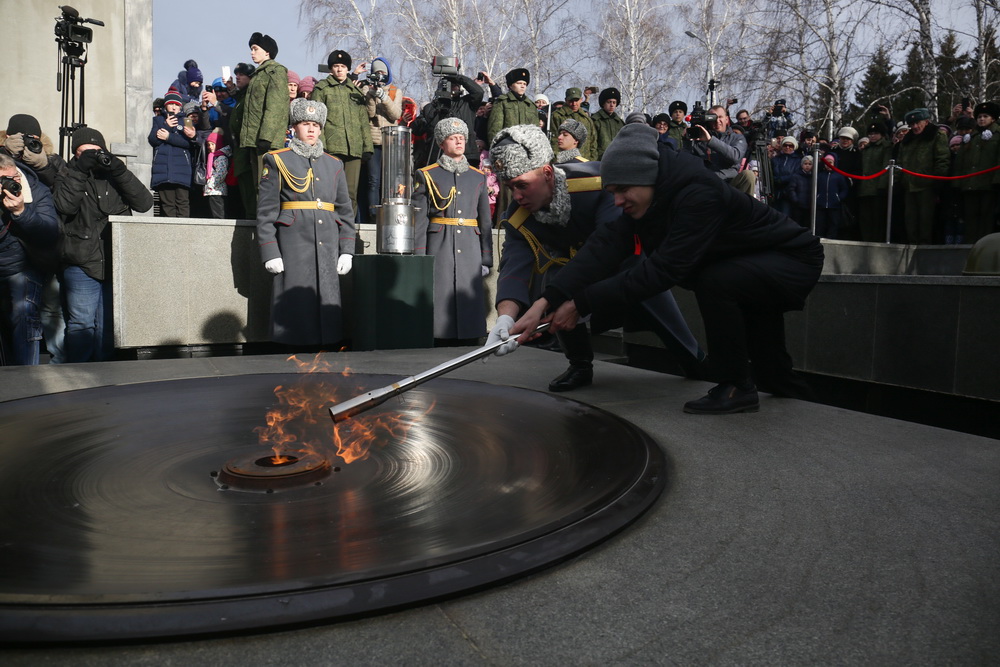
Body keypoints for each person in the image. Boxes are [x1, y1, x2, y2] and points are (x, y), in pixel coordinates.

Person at [503, 123, 824, 413]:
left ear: (645, 176)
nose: (617, 202)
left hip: (792, 260)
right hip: (748, 266)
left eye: (622, 190)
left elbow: (663, 270)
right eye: (612, 193)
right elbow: (604, 247)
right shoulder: (652, 196)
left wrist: (580, 304)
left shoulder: (698, 193)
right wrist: (548, 300)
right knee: (772, 371)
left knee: (716, 281)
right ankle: (811, 409)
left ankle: (735, 387)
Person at [487, 124, 705, 392]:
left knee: (673, 330)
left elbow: (606, 249)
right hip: (569, 277)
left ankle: (698, 365)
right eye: (510, 187)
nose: (517, 196)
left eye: (522, 185)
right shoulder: (518, 213)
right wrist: (505, 318)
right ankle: (579, 364)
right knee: (555, 279)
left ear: (547, 173)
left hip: (625, 269)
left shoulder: (596, 184)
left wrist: (571, 302)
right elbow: (514, 265)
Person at [256, 99, 355, 348]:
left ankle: (326, 349)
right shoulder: (277, 160)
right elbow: (266, 211)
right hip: (294, 242)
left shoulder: (334, 164)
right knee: (295, 304)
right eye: (305, 123)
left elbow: (345, 210)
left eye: (315, 125)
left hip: (328, 240)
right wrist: (270, 251)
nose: (311, 129)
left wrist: (347, 250)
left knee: (327, 301)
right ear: (293, 128)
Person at [53, 127, 153, 362]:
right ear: (75, 154)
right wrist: (80, 170)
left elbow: (144, 203)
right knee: (81, 324)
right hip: (80, 260)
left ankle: (104, 373)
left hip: (114, 259)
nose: (92, 157)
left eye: (96, 151)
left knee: (109, 324)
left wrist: (119, 170)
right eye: (84, 152)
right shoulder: (66, 174)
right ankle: (79, 373)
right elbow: (64, 206)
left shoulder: (114, 174)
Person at [412, 118, 492, 342]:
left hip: (470, 244)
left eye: (462, 138)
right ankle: (440, 336)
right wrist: (420, 256)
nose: (459, 141)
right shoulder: (427, 174)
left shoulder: (478, 176)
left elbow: (485, 220)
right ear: (441, 143)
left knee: (468, 292)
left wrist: (486, 257)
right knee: (441, 290)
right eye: (452, 138)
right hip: (440, 243)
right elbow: (420, 220)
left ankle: (470, 336)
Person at [0, 153, 59, 365]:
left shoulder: (36, 189)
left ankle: (27, 375)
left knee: (24, 312)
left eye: (14, 177)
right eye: (4, 180)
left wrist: (22, 212)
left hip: (23, 265)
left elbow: (50, 232)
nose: (12, 183)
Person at [311, 49, 374, 222]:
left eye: (343, 66)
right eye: (336, 66)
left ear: (348, 69)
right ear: (331, 68)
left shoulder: (355, 91)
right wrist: (321, 145)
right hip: (331, 149)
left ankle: (348, 229)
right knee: (330, 191)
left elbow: (363, 121)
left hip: (354, 149)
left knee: (350, 193)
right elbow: (317, 120)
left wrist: (367, 147)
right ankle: (329, 226)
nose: (339, 70)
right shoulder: (322, 89)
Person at [239, 33, 290, 216]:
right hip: (255, 140)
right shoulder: (259, 74)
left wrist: (266, 137)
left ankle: (269, 226)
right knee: (258, 186)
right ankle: (261, 224)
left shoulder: (275, 72)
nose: (252, 53)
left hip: (265, 141)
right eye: (251, 49)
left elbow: (275, 106)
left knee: (266, 187)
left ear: (267, 52)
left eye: (255, 49)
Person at [355, 57, 403, 223]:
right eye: (376, 73)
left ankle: (388, 214)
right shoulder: (366, 89)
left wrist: (384, 97)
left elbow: (395, 114)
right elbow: (369, 114)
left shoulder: (395, 91)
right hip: (374, 140)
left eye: (382, 73)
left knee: (390, 180)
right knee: (373, 179)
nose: (380, 76)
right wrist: (371, 95)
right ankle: (372, 215)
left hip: (391, 141)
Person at [897, 108, 949, 244]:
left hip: (928, 185)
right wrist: (898, 181)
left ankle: (925, 248)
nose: (915, 127)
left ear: (926, 122)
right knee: (910, 220)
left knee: (926, 221)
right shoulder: (907, 140)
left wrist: (938, 181)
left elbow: (942, 159)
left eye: (917, 123)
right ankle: (911, 245)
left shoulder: (937, 135)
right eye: (911, 124)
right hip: (909, 186)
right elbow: (900, 162)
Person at [955, 101, 1000, 243]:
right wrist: (957, 182)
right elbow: (960, 161)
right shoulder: (971, 136)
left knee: (986, 217)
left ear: (993, 118)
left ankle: (984, 245)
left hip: (988, 185)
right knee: (970, 217)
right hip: (970, 184)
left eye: (985, 116)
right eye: (979, 116)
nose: (981, 119)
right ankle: (970, 245)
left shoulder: (997, 135)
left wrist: (997, 181)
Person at [149, 86, 196, 217]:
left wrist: (168, 137)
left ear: (181, 107)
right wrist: (167, 126)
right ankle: (170, 229)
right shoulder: (158, 120)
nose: (174, 107)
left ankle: (183, 228)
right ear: (166, 106)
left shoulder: (187, 121)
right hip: (163, 170)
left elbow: (189, 143)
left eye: (176, 105)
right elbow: (153, 140)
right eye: (171, 104)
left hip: (182, 170)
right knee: (167, 204)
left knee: (182, 202)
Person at [857, 122, 894, 242]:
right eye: (870, 134)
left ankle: (877, 241)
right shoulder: (866, 149)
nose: (872, 136)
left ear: (882, 134)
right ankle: (866, 240)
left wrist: (882, 186)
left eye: (875, 133)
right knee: (865, 219)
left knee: (878, 219)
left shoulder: (886, 147)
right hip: (865, 189)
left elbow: (886, 167)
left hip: (878, 189)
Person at [486, 68, 535, 147]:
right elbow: (494, 129)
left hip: (527, 148)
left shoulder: (530, 105)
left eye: (525, 84)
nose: (522, 86)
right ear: (511, 86)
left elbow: (535, 131)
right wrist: (495, 148)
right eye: (519, 83)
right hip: (506, 147)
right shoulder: (502, 102)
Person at [549, 88, 597, 160]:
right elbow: (554, 140)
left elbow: (593, 142)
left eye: (576, 100)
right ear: (566, 100)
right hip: (565, 161)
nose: (574, 104)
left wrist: (592, 160)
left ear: (581, 100)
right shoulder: (557, 116)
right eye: (571, 101)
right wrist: (556, 160)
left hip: (585, 161)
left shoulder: (586, 118)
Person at [590, 88, 624, 160]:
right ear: (603, 103)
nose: (612, 105)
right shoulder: (595, 121)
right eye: (609, 102)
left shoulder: (620, 123)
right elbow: (592, 144)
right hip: (599, 160)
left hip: (617, 160)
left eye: (614, 102)